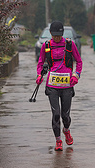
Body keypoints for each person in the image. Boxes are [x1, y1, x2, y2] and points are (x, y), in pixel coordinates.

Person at [36, 21, 82, 151]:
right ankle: (58, 141)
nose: (57, 38)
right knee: (55, 114)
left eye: (59, 35)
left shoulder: (69, 44)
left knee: (65, 116)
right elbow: (40, 63)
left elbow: (79, 61)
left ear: (62, 33)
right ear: (50, 33)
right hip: (52, 86)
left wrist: (76, 75)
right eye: (55, 35)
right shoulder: (46, 45)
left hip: (67, 85)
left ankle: (66, 130)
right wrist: (39, 75)